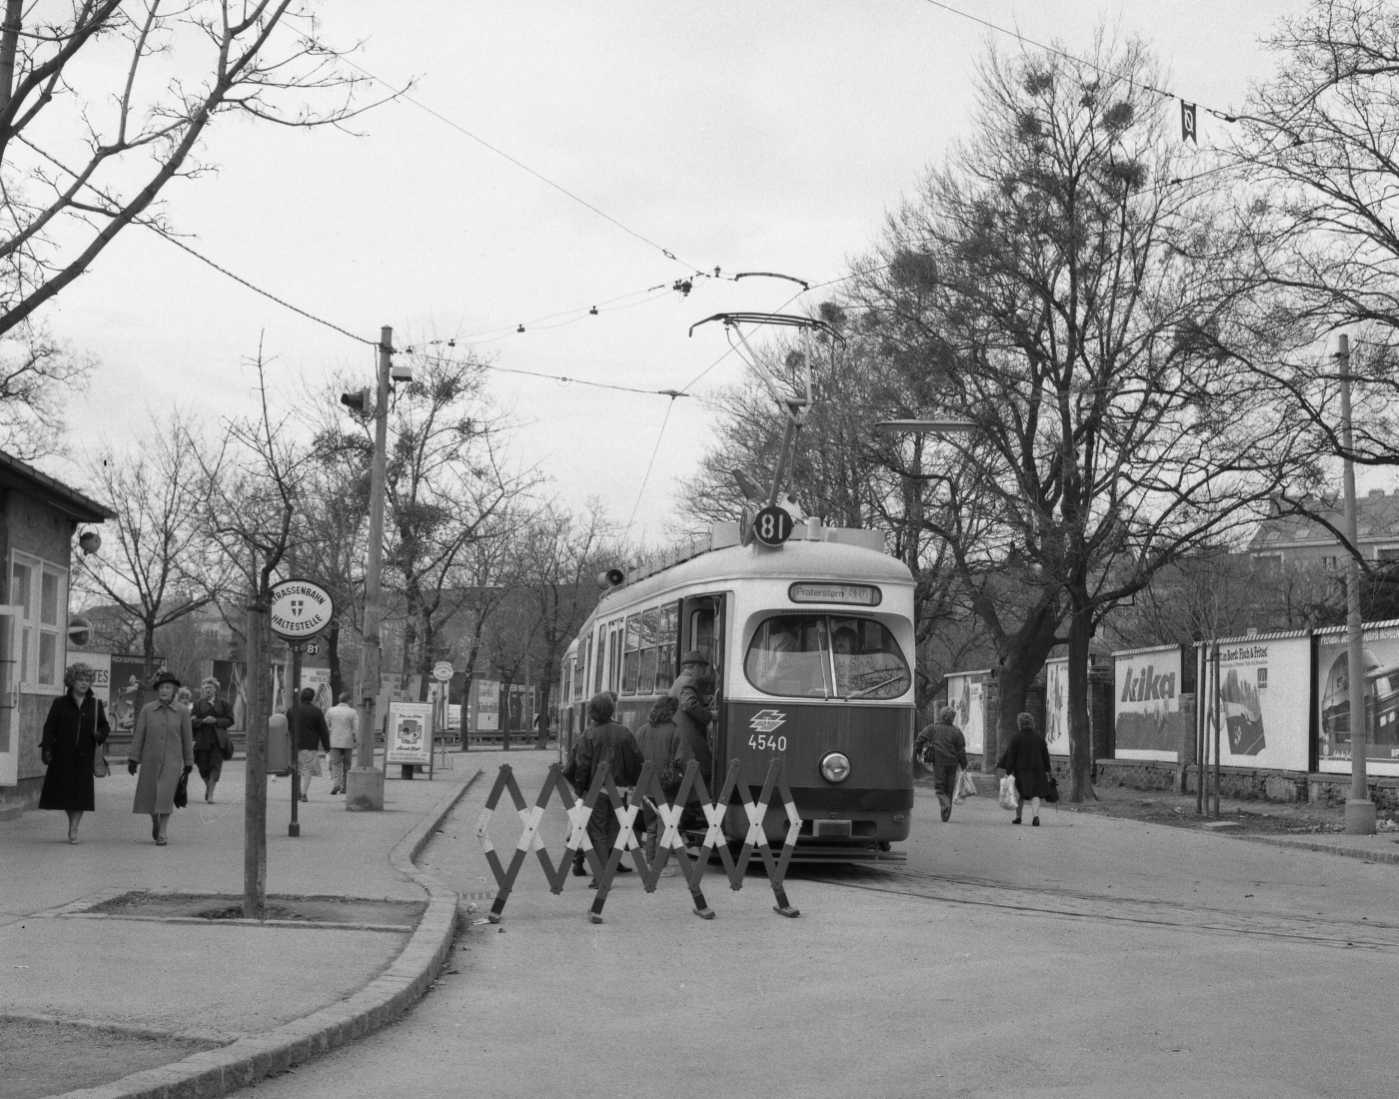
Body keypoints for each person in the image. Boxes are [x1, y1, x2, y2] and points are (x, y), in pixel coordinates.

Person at [572, 692, 642, 887]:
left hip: (597, 790)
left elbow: (582, 765)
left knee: (597, 832)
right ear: (612, 710)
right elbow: (637, 760)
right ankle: (612, 866)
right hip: (619, 790)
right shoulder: (624, 732)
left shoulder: (589, 733)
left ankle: (601, 875)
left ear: (592, 712)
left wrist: (580, 790)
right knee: (615, 830)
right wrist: (631, 784)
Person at [39, 662, 111, 844]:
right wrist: (47, 749)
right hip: (62, 755)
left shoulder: (95, 704)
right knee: (65, 794)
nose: (84, 683)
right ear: (72, 681)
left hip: (85, 755)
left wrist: (99, 734)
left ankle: (74, 828)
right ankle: (72, 822)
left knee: (81, 794)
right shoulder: (60, 703)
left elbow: (105, 726)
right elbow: (49, 728)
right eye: (80, 679)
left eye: (87, 680)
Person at [128, 671, 194, 846]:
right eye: (162, 687)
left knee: (165, 796)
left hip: (172, 762)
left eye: (168, 687)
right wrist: (133, 758)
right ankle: (154, 820)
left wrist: (188, 763)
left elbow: (187, 738)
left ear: (174, 690)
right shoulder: (148, 709)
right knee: (150, 795)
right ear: (158, 690)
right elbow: (139, 735)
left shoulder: (182, 711)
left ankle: (163, 832)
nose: (164, 690)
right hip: (150, 760)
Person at [634, 694, 684, 876]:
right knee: (666, 825)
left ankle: (649, 862)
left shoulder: (642, 730)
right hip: (666, 786)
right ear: (670, 711)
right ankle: (660, 866)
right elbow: (681, 759)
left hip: (646, 785)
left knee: (652, 826)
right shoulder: (674, 730)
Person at [996, 711, 1054, 826]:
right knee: (1035, 793)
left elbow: (1011, 756)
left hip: (1021, 769)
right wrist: (1047, 769)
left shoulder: (1015, 736)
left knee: (1020, 794)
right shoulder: (1039, 737)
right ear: (1032, 723)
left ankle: (1018, 818)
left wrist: (1008, 772)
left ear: (1019, 724)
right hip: (1037, 768)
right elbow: (1045, 755)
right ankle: (1036, 816)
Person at [915, 705, 968, 823]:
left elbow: (920, 738)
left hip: (939, 763)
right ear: (953, 718)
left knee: (939, 788)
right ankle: (946, 816)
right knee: (949, 789)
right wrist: (964, 766)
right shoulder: (957, 732)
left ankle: (945, 806)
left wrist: (918, 753)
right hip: (953, 763)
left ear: (941, 715)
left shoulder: (932, 728)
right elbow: (961, 751)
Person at [191, 676, 234, 802]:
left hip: (218, 740)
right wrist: (202, 721)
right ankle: (208, 787)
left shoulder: (224, 704)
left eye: (210, 687)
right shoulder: (198, 704)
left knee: (215, 766)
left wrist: (217, 720)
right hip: (202, 740)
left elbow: (230, 720)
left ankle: (210, 795)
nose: (207, 689)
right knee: (202, 766)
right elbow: (191, 720)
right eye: (205, 687)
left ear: (216, 689)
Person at [286, 687, 331, 802]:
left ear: (300, 696)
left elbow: (286, 728)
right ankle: (304, 793)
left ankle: (296, 792)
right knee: (307, 769)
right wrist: (327, 747)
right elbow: (323, 731)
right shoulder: (316, 711)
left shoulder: (291, 710)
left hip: (294, 745)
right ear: (312, 698)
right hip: (310, 745)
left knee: (296, 768)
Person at [325, 692, 358, 795]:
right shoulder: (353, 712)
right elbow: (356, 728)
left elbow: (326, 725)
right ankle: (345, 787)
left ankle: (336, 784)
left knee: (335, 764)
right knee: (347, 764)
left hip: (334, 740)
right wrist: (356, 740)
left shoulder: (331, 711)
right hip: (348, 741)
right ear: (349, 700)